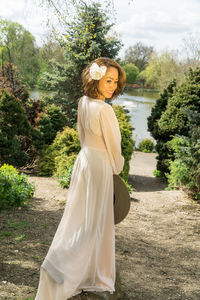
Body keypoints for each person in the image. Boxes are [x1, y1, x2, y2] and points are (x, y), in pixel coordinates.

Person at [35, 57, 126, 300]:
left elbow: (82, 136)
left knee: (80, 217)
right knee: (95, 221)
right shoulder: (105, 110)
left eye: (115, 82)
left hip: (84, 160)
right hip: (99, 166)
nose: (112, 86)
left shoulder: (83, 102)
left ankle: (74, 266)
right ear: (95, 79)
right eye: (108, 80)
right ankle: (86, 270)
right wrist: (116, 168)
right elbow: (114, 148)